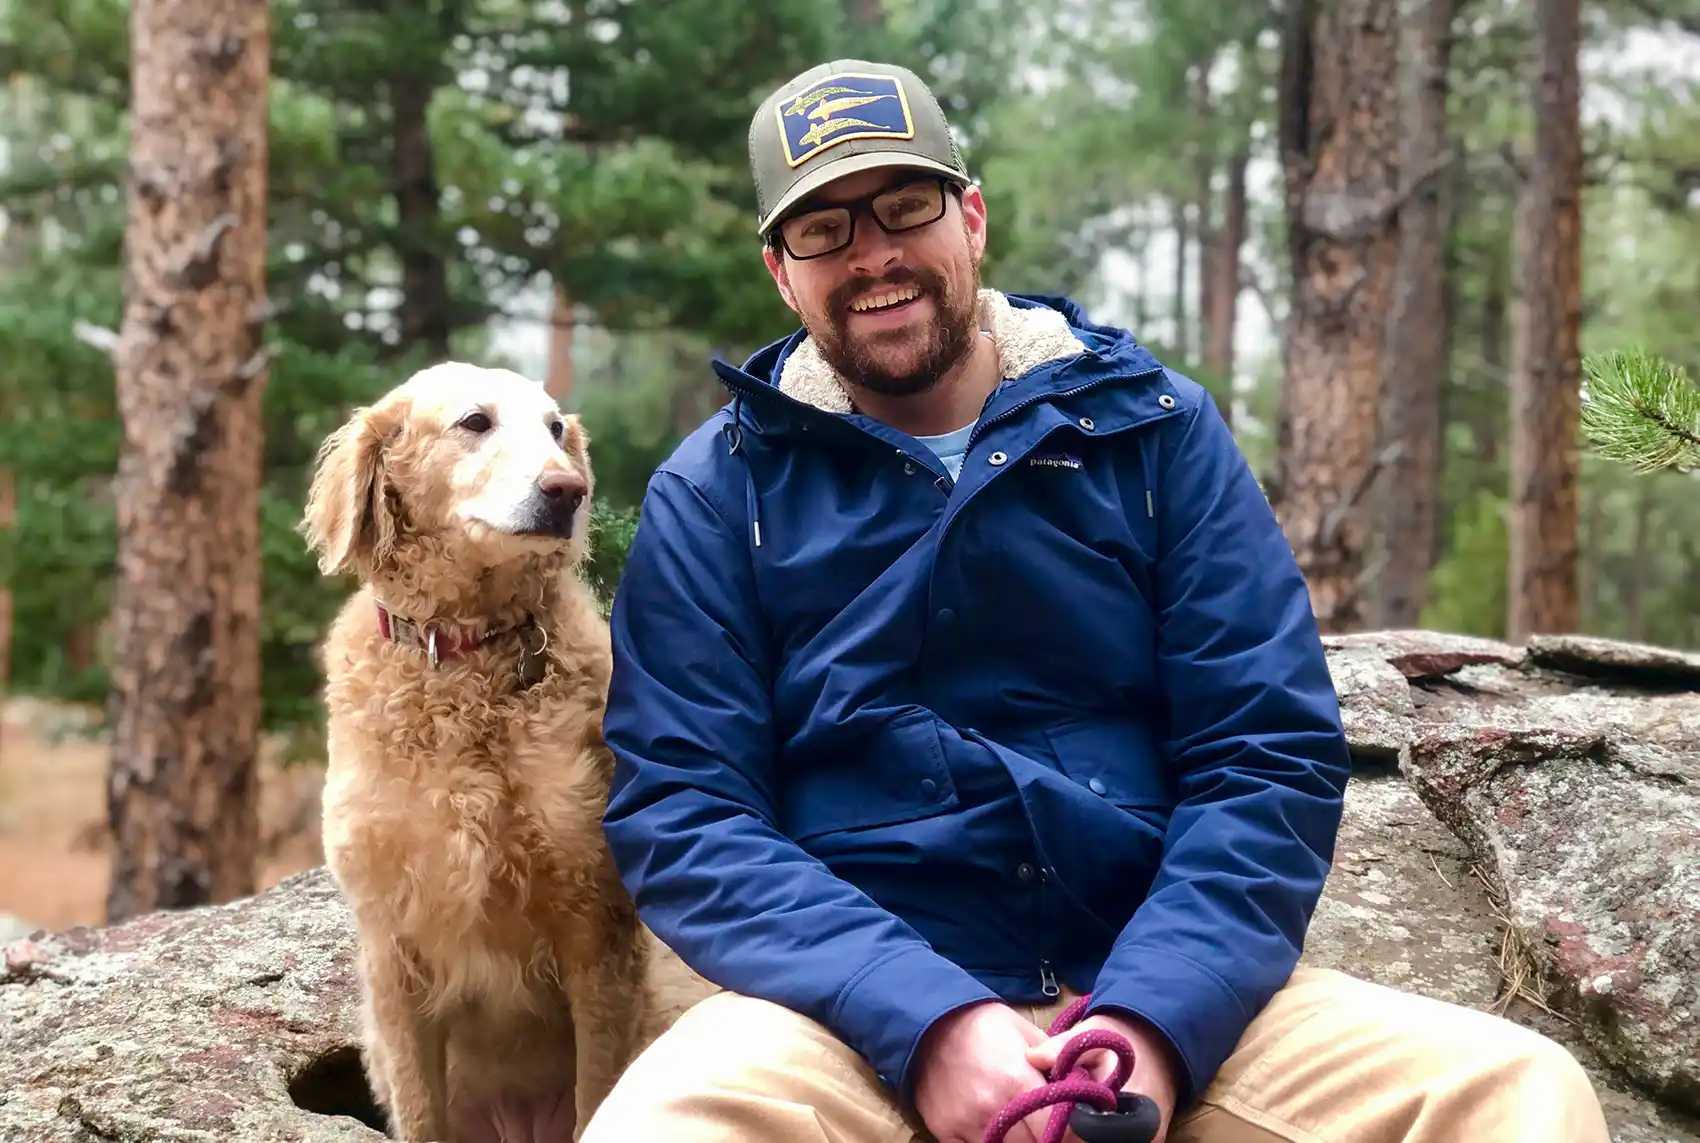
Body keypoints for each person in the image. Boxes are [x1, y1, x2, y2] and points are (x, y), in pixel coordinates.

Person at [584, 57, 1611, 1143]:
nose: (873, 254)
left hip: (1159, 995)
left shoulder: (1152, 431)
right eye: (824, 230)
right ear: (781, 274)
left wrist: (1155, 1021)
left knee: (1517, 1094)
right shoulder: (716, 492)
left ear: (971, 218)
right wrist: (927, 1021)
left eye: (904, 207)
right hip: (843, 1026)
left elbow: (1264, 751)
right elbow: (686, 814)